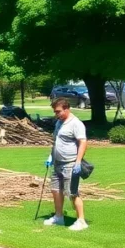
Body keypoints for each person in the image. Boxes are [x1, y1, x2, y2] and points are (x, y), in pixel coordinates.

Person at [43, 97, 89, 230]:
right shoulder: (59, 123)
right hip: (57, 163)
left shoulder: (76, 124)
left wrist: (78, 162)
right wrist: (51, 156)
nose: (56, 114)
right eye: (55, 112)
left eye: (58, 111)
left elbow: (83, 142)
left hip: (70, 163)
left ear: (67, 109)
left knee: (72, 192)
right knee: (56, 190)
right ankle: (59, 216)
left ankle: (81, 221)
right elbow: (57, 142)